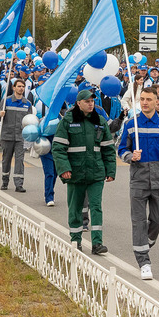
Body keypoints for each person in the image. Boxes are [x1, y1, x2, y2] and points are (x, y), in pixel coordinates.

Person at [117, 86, 159, 278]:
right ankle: (144, 261)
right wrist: (130, 156)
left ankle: (146, 241)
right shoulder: (131, 123)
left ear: (156, 102)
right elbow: (120, 149)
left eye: (148, 99)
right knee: (139, 221)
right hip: (139, 180)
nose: (144, 102)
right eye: (141, 99)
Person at [53, 89, 116, 254]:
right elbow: (58, 148)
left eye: (92, 101)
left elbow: (108, 149)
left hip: (96, 173)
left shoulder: (100, 120)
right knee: (75, 208)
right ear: (78, 103)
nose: (91, 104)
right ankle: (76, 241)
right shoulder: (68, 120)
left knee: (96, 206)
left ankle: (97, 243)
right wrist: (64, 169)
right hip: (75, 173)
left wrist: (110, 170)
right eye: (87, 101)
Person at [0, 77, 32, 192]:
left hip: (20, 136)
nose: (21, 88)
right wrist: (0, 114)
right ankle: (4, 181)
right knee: (6, 159)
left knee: (19, 160)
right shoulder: (6, 101)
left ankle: (19, 184)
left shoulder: (27, 104)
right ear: (14, 88)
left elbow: (30, 120)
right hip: (7, 135)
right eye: (19, 86)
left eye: (23, 87)